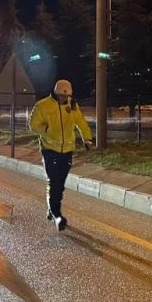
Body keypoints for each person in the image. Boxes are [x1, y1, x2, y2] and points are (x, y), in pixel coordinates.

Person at [28, 79, 93, 231]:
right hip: (49, 149)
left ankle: (51, 209)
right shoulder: (42, 105)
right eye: (62, 97)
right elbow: (33, 125)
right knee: (53, 181)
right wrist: (47, 131)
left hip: (67, 150)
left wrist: (87, 139)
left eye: (67, 96)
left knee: (60, 184)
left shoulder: (72, 105)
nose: (65, 99)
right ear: (56, 93)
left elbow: (81, 122)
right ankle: (57, 215)